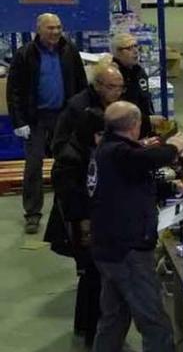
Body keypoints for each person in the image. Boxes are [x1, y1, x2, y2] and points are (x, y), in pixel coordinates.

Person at [89, 101, 183, 352]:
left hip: (107, 247)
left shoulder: (107, 150)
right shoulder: (118, 153)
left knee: (114, 317)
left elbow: (130, 182)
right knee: (154, 322)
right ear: (136, 125)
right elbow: (148, 159)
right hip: (127, 251)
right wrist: (174, 145)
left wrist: (173, 187)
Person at [44, 61, 124, 346]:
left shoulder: (87, 146)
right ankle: (93, 332)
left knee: (92, 275)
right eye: (113, 87)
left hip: (87, 215)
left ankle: (84, 327)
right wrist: (85, 223)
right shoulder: (78, 117)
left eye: (121, 87)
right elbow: (70, 185)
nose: (118, 92)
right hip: (82, 219)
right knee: (93, 274)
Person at [6, 13, 88, 234]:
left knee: (70, 162)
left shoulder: (69, 51)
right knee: (33, 165)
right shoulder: (25, 55)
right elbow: (14, 91)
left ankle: (68, 208)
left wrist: (82, 114)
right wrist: (19, 121)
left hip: (65, 116)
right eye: (50, 28)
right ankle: (32, 213)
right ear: (39, 30)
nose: (55, 32)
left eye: (58, 27)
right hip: (36, 119)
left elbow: (81, 84)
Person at [111, 33, 155, 139]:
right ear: (117, 52)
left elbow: (146, 100)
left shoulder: (139, 72)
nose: (135, 51)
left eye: (136, 46)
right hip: (124, 134)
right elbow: (118, 113)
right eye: (129, 48)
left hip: (143, 131)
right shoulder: (113, 77)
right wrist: (148, 120)